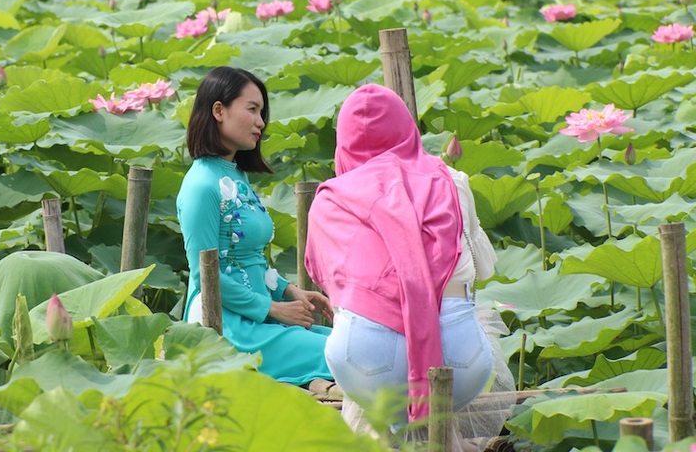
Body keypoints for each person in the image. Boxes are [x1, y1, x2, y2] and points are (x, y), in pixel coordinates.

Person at [306, 84, 494, 429]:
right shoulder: (452, 179)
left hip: (363, 361)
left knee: (357, 335)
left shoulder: (329, 199)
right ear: (407, 128)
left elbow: (337, 297)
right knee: (480, 316)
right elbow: (486, 269)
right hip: (459, 364)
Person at [177, 66, 334, 385]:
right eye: (252, 109)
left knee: (352, 345)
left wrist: (289, 291)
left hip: (257, 318)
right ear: (218, 110)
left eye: (262, 112)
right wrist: (273, 309)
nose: (261, 122)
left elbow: (249, 260)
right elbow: (204, 275)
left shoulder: (236, 176)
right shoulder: (200, 186)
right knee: (345, 355)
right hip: (225, 328)